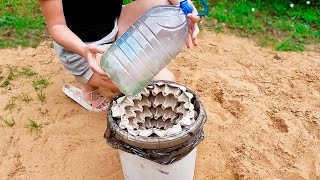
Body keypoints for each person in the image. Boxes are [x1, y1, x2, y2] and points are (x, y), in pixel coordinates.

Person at [38, 0, 200, 112]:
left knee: (166, 5)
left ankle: (123, 57)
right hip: (84, 48)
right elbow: (57, 26)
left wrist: (186, 9)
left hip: (114, 24)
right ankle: (85, 83)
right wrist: (83, 50)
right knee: (162, 82)